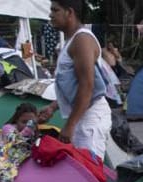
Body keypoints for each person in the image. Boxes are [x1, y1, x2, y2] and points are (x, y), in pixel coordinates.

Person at [37, 0, 112, 161]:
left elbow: (87, 86)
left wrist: (70, 125)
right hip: (82, 116)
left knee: (90, 174)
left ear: (69, 13)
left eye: (55, 10)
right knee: (81, 173)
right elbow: (76, 86)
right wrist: (52, 107)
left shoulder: (81, 40)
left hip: (90, 118)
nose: (50, 15)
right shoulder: (71, 41)